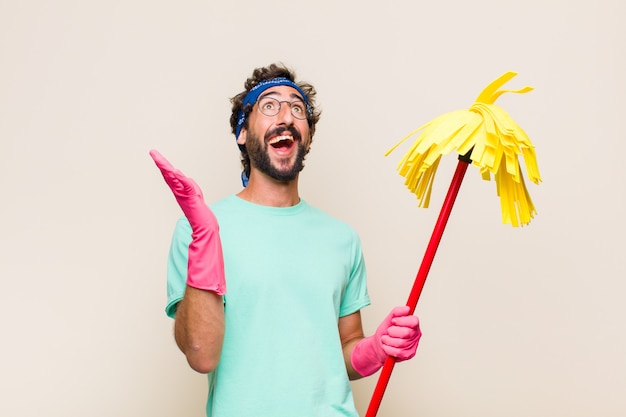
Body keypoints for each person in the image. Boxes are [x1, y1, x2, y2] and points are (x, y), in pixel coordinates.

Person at [150, 63, 422, 417]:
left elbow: (344, 349)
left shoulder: (342, 238)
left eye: (298, 109)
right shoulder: (197, 229)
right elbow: (201, 354)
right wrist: (206, 236)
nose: (287, 116)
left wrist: (376, 348)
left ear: (306, 135)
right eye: (269, 105)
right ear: (242, 133)